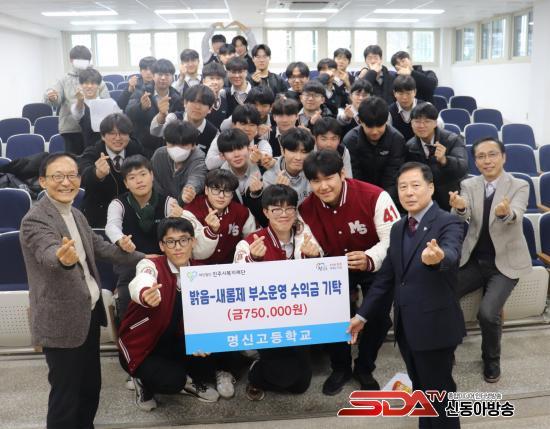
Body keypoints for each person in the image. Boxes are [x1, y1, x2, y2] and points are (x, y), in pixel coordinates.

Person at [20, 152, 144, 429]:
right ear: (43, 181)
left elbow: (101, 248)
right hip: (60, 320)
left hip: (87, 314)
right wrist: (62, 259)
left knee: (89, 388)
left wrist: (145, 258)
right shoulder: (35, 219)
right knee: (66, 397)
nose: (66, 182)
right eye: (58, 176)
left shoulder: (75, 213)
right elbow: (47, 251)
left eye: (72, 175)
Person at [349, 161, 465, 429]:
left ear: (431, 188)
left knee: (440, 395)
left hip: (435, 328)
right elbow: (385, 278)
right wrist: (362, 316)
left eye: (415, 185)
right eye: (403, 187)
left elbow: (451, 252)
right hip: (407, 329)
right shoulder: (399, 227)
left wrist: (438, 258)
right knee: (423, 391)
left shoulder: (448, 222)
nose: (409, 192)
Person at [299, 150, 400, 395]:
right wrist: (311, 253)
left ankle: (364, 367)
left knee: (378, 317)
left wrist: (369, 258)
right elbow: (309, 243)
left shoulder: (375, 196)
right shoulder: (306, 208)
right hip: (334, 269)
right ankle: (340, 368)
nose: (323, 186)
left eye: (328, 178)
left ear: (342, 174)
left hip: (374, 264)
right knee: (333, 315)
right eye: (315, 181)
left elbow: (394, 238)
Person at [450, 137, 531, 383]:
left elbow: (517, 214)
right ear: (475, 161)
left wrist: (506, 213)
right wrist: (460, 208)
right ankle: (448, 344)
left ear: (503, 157)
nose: (487, 160)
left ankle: (491, 358)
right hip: (474, 260)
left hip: (505, 264)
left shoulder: (519, 184)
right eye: (481, 156)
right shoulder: (468, 184)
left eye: (492, 154)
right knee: (443, 293)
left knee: (487, 314)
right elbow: (461, 214)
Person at [118, 217, 220, 411]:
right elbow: (142, 278)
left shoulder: (200, 273)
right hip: (142, 346)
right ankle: (142, 380)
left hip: (175, 339)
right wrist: (145, 294)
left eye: (183, 240)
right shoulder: (152, 264)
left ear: (193, 242)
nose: (178, 247)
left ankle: (190, 379)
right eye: (171, 242)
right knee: (173, 381)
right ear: (162, 246)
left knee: (209, 356)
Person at [234, 184, 322, 401]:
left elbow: (320, 282)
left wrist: (313, 259)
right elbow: (237, 284)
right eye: (276, 209)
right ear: (265, 212)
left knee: (300, 385)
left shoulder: (306, 237)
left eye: (289, 208)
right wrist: (254, 260)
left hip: (299, 318)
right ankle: (256, 371)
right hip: (266, 321)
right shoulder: (250, 243)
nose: (284, 214)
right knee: (283, 376)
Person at [105, 155, 180, 319]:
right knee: (128, 303)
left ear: (152, 175)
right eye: (132, 177)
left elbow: (178, 234)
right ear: (126, 183)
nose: (139, 181)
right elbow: (112, 226)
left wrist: (181, 217)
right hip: (130, 264)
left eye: (143, 174)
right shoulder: (118, 203)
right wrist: (121, 240)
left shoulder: (168, 202)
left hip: (162, 264)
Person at [78, 113, 145, 228]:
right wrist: (97, 173)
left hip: (131, 213)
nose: (118, 138)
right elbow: (82, 176)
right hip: (99, 215)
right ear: (103, 136)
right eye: (112, 133)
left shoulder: (136, 149)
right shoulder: (93, 152)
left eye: (122, 133)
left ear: (129, 135)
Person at [182, 169, 257, 265]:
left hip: (231, 269)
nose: (221, 196)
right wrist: (210, 231)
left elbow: (251, 242)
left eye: (227, 191)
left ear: (232, 194)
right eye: (216, 190)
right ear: (206, 190)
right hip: (197, 269)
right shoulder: (191, 210)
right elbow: (193, 251)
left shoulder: (242, 212)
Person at [44, 45, 110, 155]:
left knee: (94, 158)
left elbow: (106, 101)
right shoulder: (64, 80)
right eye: (79, 60)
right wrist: (52, 98)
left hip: (94, 129)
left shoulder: (97, 79)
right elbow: (54, 97)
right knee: (73, 160)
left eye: (85, 60)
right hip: (71, 129)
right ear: (71, 60)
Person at [406, 102, 468, 211]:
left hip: (451, 196)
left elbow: (463, 168)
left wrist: (445, 160)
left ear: (435, 123)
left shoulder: (452, 139)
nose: (421, 126)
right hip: (424, 199)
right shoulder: (409, 146)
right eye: (417, 121)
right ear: (411, 124)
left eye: (427, 121)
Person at [343, 96, 406, 203]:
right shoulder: (350, 140)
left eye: (380, 126)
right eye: (370, 127)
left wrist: (384, 202)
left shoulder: (396, 139)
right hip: (359, 195)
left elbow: (392, 176)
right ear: (360, 121)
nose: (375, 132)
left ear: (386, 121)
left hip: (388, 197)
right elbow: (354, 176)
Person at [125, 59, 182, 158]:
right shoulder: (141, 92)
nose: (163, 78)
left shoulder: (177, 97)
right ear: (153, 76)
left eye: (167, 75)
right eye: (160, 74)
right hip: (142, 147)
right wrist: (141, 107)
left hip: (168, 148)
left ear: (173, 77)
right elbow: (128, 112)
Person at [150, 84, 219, 154]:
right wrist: (162, 115)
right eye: (193, 101)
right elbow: (155, 132)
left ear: (210, 109)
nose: (197, 107)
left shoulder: (214, 133)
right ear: (185, 103)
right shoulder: (174, 119)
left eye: (203, 103)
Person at [150, 121, 207, 205]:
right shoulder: (159, 154)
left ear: (193, 145)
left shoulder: (198, 157)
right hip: (161, 204)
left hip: (186, 206)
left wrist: (189, 190)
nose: (177, 149)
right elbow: (154, 180)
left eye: (183, 145)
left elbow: (197, 177)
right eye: (172, 144)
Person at [217, 128, 266, 225]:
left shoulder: (263, 170)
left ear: (249, 149)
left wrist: (256, 195)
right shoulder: (218, 180)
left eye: (240, 148)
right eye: (230, 151)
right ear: (222, 156)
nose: (236, 155)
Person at [206, 104, 273, 170]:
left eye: (252, 125)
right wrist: (230, 154)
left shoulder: (262, 143)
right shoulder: (220, 140)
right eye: (243, 124)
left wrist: (259, 157)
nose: (247, 129)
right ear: (233, 125)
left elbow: (267, 157)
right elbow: (209, 164)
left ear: (257, 127)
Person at [70, 68, 122, 149]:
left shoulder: (110, 103)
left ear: (98, 85)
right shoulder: (77, 105)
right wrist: (80, 100)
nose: (89, 86)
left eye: (93, 83)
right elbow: (77, 113)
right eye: (86, 83)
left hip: (110, 147)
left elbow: (120, 123)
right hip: (88, 148)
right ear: (81, 85)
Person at [263, 128, 314, 205]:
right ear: (282, 151)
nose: (298, 157)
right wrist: (279, 194)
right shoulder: (270, 176)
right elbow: (269, 208)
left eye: (304, 152)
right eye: (293, 151)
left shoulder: (316, 169)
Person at [388, 74, 419, 142]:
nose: (404, 97)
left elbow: (438, 128)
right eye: (401, 94)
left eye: (408, 93)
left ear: (415, 92)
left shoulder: (426, 107)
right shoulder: (389, 111)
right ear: (394, 93)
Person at [202, 62, 230, 129]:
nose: (215, 82)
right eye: (211, 78)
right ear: (204, 81)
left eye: (218, 78)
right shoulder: (198, 100)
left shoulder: (225, 101)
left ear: (223, 82)